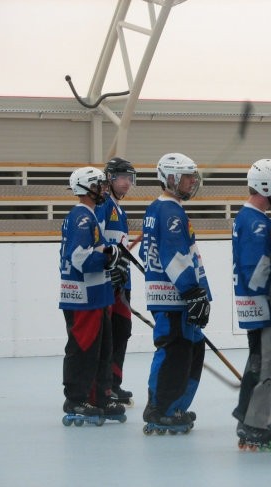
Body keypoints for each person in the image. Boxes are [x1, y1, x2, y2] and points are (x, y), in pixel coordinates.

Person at [139, 153, 211, 434]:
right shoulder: (170, 212)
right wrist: (192, 291)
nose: (193, 181)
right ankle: (161, 409)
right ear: (170, 178)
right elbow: (174, 255)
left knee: (191, 350)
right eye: (187, 176)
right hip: (174, 297)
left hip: (175, 295)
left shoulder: (163, 209)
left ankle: (175, 405)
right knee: (175, 351)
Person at [59, 166, 127, 423]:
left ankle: (100, 396)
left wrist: (109, 252)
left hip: (96, 294)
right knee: (83, 348)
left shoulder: (88, 216)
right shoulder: (82, 218)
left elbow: (92, 251)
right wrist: (109, 257)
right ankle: (76, 399)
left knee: (102, 347)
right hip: (82, 296)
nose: (104, 189)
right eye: (99, 185)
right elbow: (79, 258)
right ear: (87, 188)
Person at [231, 159, 271, 451]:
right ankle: (255, 425)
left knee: (262, 362)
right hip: (263, 305)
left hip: (259, 304)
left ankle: (254, 418)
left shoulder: (252, 218)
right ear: (266, 186)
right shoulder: (256, 222)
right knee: (269, 364)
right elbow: (256, 270)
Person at [95, 157, 136, 406]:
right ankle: (103, 386)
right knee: (108, 334)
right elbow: (97, 241)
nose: (128, 183)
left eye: (131, 178)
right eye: (124, 178)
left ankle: (114, 383)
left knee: (122, 331)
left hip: (122, 282)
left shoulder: (120, 209)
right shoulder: (103, 205)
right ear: (110, 178)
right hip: (109, 282)